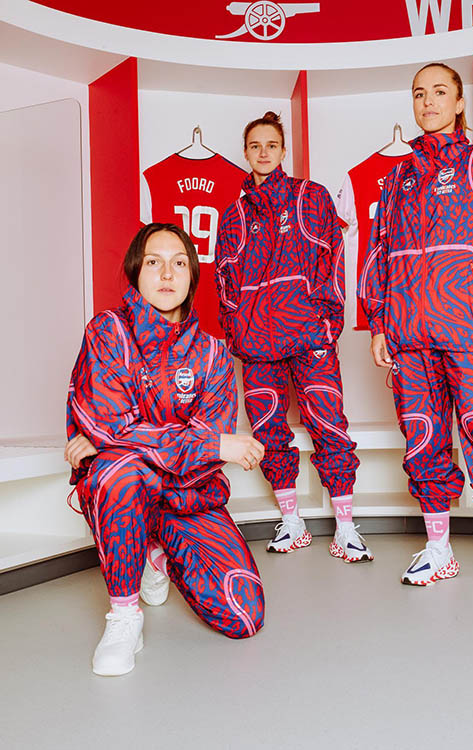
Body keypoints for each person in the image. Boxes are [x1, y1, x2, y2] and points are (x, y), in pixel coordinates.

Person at [359, 63, 473, 606]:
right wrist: (379, 321)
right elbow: (378, 254)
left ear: (459, 103)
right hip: (408, 333)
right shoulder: (396, 176)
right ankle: (440, 550)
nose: (428, 101)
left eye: (440, 92)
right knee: (423, 443)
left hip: (470, 333)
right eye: (419, 93)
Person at [65, 223, 266, 676]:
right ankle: (124, 617)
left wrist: (110, 439)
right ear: (136, 272)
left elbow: (127, 436)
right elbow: (119, 426)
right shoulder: (107, 332)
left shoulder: (213, 354)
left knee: (243, 615)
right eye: (154, 262)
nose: (167, 274)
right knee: (116, 471)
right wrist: (215, 444)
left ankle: (154, 543)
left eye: (179, 263)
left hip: (186, 497)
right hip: (125, 486)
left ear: (193, 276)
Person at [215, 112, 373, 563]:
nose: (263, 152)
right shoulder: (233, 216)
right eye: (255, 146)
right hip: (256, 346)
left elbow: (333, 261)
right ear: (245, 153)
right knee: (268, 431)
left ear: (283, 151)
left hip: (310, 339)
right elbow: (223, 283)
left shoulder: (311, 195)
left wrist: (328, 326)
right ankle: (292, 521)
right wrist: (236, 334)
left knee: (329, 427)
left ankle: (346, 527)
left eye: (271, 144)